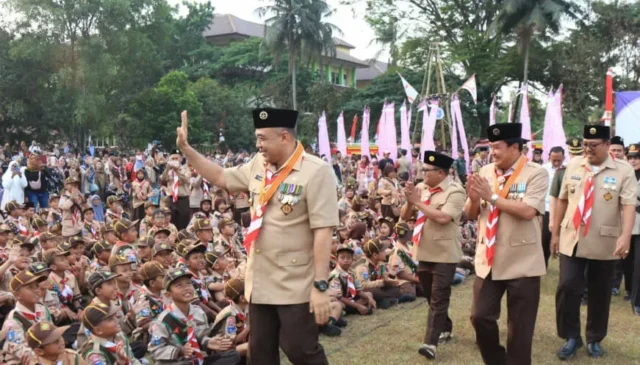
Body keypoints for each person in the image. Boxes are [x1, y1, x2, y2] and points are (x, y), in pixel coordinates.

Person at [176, 107, 337, 365]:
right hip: (260, 282)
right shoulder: (257, 166)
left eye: (262, 138)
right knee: (259, 355)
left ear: (284, 137)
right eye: (257, 137)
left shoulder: (316, 172)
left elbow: (323, 232)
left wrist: (320, 286)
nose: (257, 144)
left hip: (294, 283)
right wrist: (187, 149)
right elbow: (220, 176)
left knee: (300, 351)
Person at [464, 123, 548, 365]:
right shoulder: (485, 172)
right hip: (488, 259)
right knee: (479, 317)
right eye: (491, 147)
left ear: (515, 147)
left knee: (520, 329)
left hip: (523, 261)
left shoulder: (536, 173)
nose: (493, 152)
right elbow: (470, 214)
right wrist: (473, 199)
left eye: (497, 147)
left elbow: (528, 211)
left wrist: (491, 196)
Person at [551, 125, 636, 359]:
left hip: (604, 239)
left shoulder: (623, 170)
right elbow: (562, 199)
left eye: (593, 145)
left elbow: (628, 205)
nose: (587, 149)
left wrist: (625, 236)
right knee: (567, 286)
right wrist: (555, 232)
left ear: (607, 146)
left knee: (600, 292)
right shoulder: (575, 165)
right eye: (585, 144)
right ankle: (571, 336)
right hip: (572, 237)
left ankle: (594, 338)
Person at [402, 150, 466, 360]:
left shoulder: (455, 192)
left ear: (441, 172)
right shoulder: (421, 188)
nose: (422, 174)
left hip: (444, 253)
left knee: (439, 297)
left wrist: (418, 202)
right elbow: (404, 216)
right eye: (422, 169)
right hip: (423, 250)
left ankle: (430, 343)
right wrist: (410, 201)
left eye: (427, 170)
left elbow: (443, 217)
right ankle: (445, 326)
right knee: (430, 295)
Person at [147, 268, 241, 365]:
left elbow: (200, 337)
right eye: (179, 285)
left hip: (195, 360)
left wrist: (209, 342)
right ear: (169, 295)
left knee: (232, 355)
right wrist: (180, 351)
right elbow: (155, 350)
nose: (186, 288)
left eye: (188, 283)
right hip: (177, 362)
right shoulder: (163, 320)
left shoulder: (198, 312)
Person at [1, 269, 52, 365]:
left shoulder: (43, 309)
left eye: (37, 286)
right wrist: (47, 356)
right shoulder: (13, 319)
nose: (36, 290)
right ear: (17, 295)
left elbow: (52, 332)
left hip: (45, 354)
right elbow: (20, 350)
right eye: (30, 287)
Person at [541, 146, 566, 267]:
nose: (556, 163)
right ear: (549, 157)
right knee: (544, 238)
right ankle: (542, 264)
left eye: (559, 160)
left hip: (564, 209)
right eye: (554, 160)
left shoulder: (568, 169)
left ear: (563, 158)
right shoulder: (543, 169)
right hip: (546, 209)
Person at [625, 143, 640, 315]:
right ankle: (629, 290)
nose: (634, 161)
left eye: (636, 158)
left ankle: (637, 301)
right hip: (625, 222)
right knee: (626, 262)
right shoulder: (624, 174)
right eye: (631, 158)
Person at [160, 150, 191, 231]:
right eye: (172, 158)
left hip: (182, 198)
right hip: (171, 197)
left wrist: (177, 170)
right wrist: (167, 168)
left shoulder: (185, 169)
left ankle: (182, 237)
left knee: (183, 220)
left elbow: (186, 180)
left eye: (176, 158)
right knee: (171, 219)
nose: (174, 160)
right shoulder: (169, 170)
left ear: (181, 159)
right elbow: (163, 179)